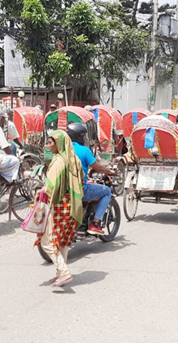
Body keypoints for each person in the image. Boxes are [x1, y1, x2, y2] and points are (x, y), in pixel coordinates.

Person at [36, 130, 84, 287]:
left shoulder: (58, 162)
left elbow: (51, 186)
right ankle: (59, 275)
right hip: (73, 205)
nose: (49, 145)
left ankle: (63, 272)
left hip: (59, 205)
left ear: (58, 144)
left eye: (51, 142)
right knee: (63, 241)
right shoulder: (73, 159)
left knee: (47, 241)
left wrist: (40, 192)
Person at [67, 123, 115, 236]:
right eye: (84, 136)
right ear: (80, 137)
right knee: (107, 191)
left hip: (63, 189)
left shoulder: (62, 149)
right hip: (79, 190)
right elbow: (97, 167)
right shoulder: (84, 150)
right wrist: (109, 171)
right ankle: (96, 223)